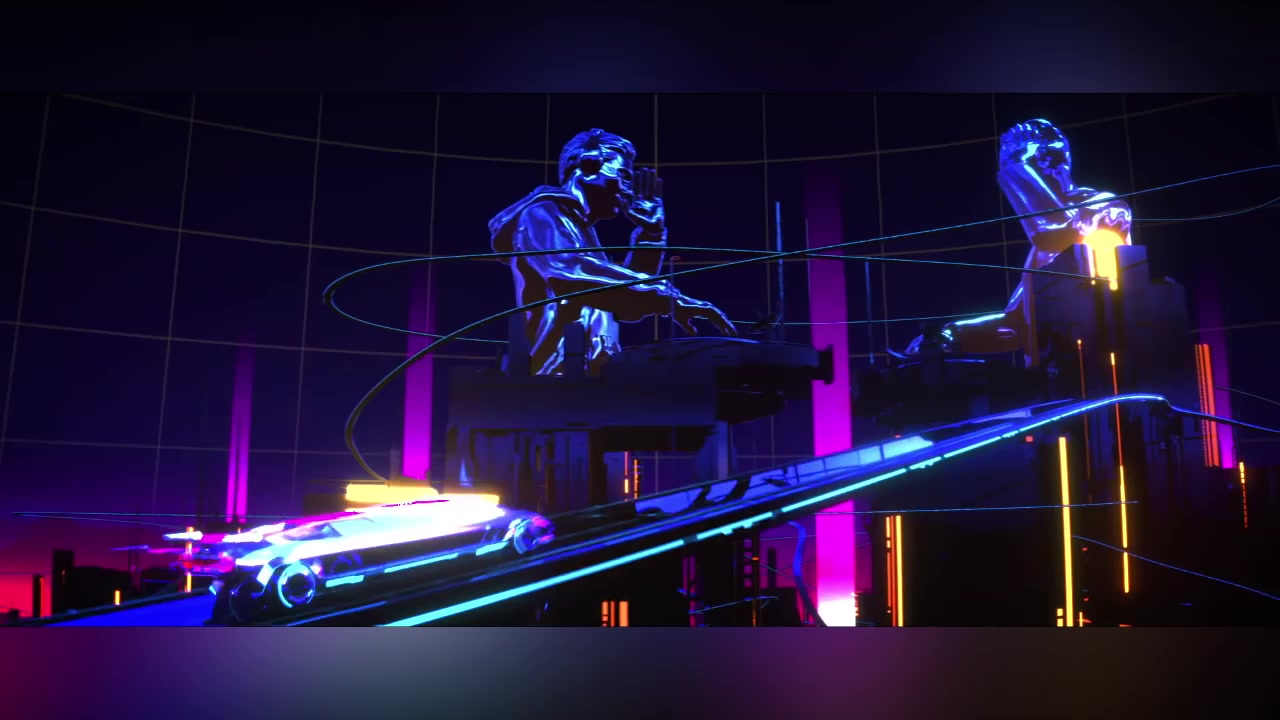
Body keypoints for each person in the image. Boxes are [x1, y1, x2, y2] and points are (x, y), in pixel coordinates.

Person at [489, 128, 736, 375]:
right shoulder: (542, 213)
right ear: (590, 163)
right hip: (557, 376)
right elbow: (570, 274)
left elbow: (624, 305)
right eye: (624, 175)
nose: (629, 189)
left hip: (591, 375)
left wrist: (650, 236)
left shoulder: (583, 235)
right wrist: (667, 297)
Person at [903, 119, 1133, 358]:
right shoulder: (1041, 254)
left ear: (1046, 160)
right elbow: (1016, 326)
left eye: (1024, 167)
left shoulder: (1106, 206)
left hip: (1105, 355)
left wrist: (1014, 166)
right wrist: (951, 335)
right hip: (1056, 363)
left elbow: (1052, 233)